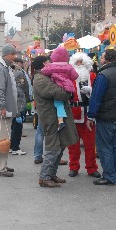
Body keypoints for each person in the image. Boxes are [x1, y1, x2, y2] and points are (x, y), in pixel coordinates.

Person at [86, 48, 116, 186]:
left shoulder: (103, 75)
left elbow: (96, 98)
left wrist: (91, 116)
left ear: (108, 59)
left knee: (105, 147)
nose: (100, 60)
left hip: (106, 117)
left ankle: (109, 176)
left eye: (102, 57)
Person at [33, 53, 78, 188]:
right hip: (50, 117)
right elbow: (58, 92)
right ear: (43, 64)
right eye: (49, 62)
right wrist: (68, 91)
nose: (52, 64)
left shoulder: (47, 77)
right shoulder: (40, 79)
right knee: (53, 147)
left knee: (60, 146)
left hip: (57, 116)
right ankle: (44, 177)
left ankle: (52, 174)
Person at [67, 52, 101, 178]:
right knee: (73, 144)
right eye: (77, 62)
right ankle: (73, 167)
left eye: (81, 62)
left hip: (88, 114)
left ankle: (91, 168)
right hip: (73, 113)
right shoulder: (69, 77)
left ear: (86, 63)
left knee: (90, 144)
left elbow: (98, 92)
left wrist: (91, 91)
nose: (79, 64)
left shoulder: (93, 76)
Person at [0, 44, 19, 177]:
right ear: (7, 54)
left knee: (4, 138)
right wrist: (1, 106)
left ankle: (2, 165)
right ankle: (0, 168)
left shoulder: (4, 68)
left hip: (4, 109)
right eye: (13, 54)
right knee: (2, 139)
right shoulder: (1, 69)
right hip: (1, 110)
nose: (15, 57)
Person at [40, 47, 79, 133]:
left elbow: (43, 72)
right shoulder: (69, 67)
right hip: (67, 87)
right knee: (64, 102)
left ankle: (61, 121)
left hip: (57, 86)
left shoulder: (51, 66)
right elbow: (75, 76)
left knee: (58, 103)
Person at [9, 57, 29, 155]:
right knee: (17, 128)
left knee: (13, 127)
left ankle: (12, 146)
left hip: (16, 107)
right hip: (18, 108)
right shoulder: (19, 75)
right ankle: (15, 147)